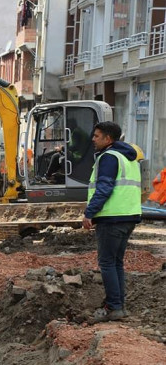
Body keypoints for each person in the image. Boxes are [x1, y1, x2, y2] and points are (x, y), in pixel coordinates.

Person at [83, 122, 142, 323]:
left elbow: (104, 188)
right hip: (128, 216)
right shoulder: (128, 157)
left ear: (108, 139)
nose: (93, 139)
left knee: (107, 262)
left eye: (97, 136)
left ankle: (113, 307)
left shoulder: (109, 158)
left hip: (112, 217)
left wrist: (89, 213)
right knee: (116, 263)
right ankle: (119, 306)